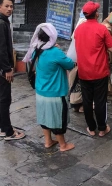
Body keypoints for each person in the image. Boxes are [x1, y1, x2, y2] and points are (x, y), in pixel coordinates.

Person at [25, 23, 75, 151]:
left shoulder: (36, 49)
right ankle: (63, 145)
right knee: (58, 118)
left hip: (41, 91)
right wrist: (58, 51)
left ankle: (48, 141)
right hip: (55, 92)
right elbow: (70, 64)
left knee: (44, 117)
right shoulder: (55, 52)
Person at [74, 1, 112, 137]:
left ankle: (91, 128)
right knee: (100, 101)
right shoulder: (102, 29)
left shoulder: (78, 29)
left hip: (84, 72)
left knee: (86, 101)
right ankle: (102, 128)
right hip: (99, 71)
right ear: (96, 14)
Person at [0, 0, 25, 141]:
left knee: (2, 98)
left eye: (11, 6)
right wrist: (7, 69)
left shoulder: (4, 22)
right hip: (3, 69)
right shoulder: (1, 23)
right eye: (7, 6)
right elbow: (1, 49)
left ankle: (3, 127)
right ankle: (8, 132)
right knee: (5, 99)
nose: (10, 9)